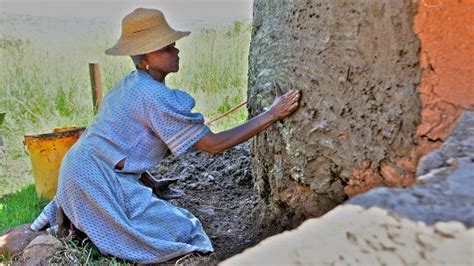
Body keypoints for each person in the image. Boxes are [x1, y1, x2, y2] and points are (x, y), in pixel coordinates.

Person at [30, 7, 301, 263]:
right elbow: (214, 145)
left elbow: (118, 143)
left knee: (152, 220)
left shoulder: (132, 85)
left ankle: (84, 223)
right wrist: (271, 115)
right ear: (146, 57)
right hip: (94, 179)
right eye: (166, 47)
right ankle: (88, 226)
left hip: (79, 169)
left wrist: (149, 180)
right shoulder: (153, 96)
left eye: (173, 44)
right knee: (182, 230)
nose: (176, 50)